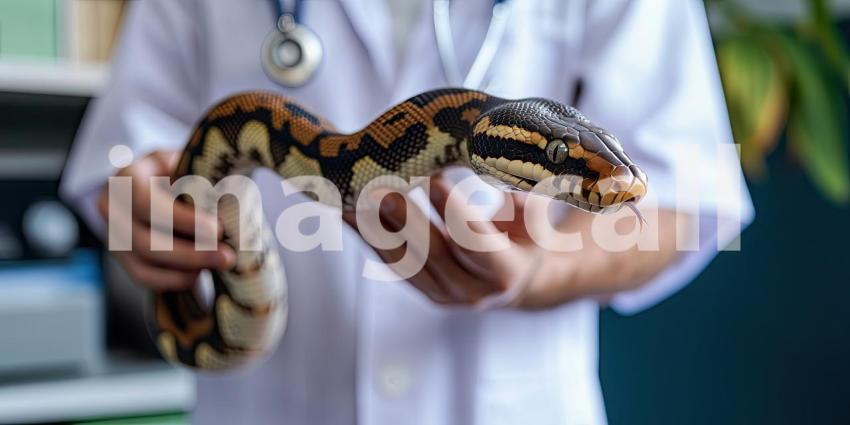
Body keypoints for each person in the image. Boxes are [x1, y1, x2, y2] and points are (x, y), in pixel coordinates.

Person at [61, 0, 754, 424]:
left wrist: (542, 272)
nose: (599, 182)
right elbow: (127, 152)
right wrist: (138, 205)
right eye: (559, 162)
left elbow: (684, 197)